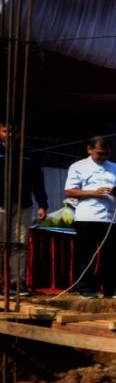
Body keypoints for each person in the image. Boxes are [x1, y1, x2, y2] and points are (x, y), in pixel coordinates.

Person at [64, 136, 116, 298]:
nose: (103, 157)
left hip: (112, 217)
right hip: (87, 216)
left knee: (112, 255)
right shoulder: (78, 166)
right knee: (86, 254)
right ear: (89, 149)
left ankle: (111, 289)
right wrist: (93, 192)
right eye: (100, 153)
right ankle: (85, 288)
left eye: (106, 154)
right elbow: (69, 191)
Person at [0, 123, 47, 295]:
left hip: (23, 204)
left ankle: (16, 283)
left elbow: (38, 182)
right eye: (6, 131)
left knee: (19, 244)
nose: (10, 135)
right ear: (0, 131)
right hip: (0, 205)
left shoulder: (28, 155)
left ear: (19, 133)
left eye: (13, 131)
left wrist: (42, 204)